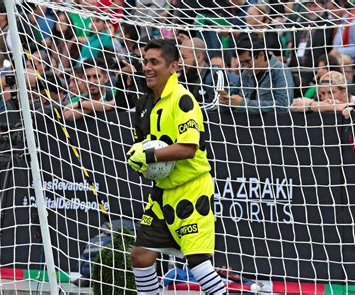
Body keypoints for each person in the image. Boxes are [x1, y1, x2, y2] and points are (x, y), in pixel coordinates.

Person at [125, 39, 225, 295]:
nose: (147, 67)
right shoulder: (144, 105)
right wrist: (140, 161)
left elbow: (188, 148)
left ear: (173, 67)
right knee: (141, 255)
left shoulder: (183, 100)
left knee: (198, 264)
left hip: (192, 190)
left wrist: (149, 158)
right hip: (162, 192)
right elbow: (143, 147)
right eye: (145, 61)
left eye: (154, 62)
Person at [219, 36, 294, 113]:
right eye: (242, 63)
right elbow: (234, 95)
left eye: (248, 61)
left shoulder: (280, 71)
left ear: (261, 55)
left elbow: (283, 106)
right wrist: (226, 101)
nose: (245, 67)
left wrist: (243, 104)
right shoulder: (246, 72)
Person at [179, 37, 228, 106]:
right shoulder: (181, 77)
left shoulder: (216, 75)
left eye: (184, 58)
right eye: (179, 57)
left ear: (199, 58)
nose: (180, 62)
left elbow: (215, 106)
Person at [291, 71, 355, 112]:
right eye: (322, 93)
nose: (326, 98)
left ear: (343, 92)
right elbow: (293, 106)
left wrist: (311, 105)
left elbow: (345, 107)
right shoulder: (317, 103)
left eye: (331, 93)